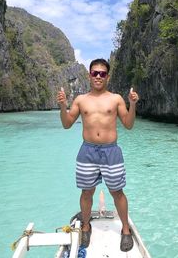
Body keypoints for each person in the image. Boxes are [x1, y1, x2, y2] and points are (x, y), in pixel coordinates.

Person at [57, 58, 139, 252]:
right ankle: (86, 226)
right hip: (87, 151)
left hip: (111, 151)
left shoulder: (116, 99)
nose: (98, 77)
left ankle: (125, 230)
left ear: (107, 77)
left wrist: (132, 104)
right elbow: (67, 124)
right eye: (95, 73)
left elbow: (128, 124)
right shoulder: (81, 100)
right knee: (86, 192)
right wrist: (63, 106)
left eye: (102, 73)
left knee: (117, 192)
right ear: (90, 75)